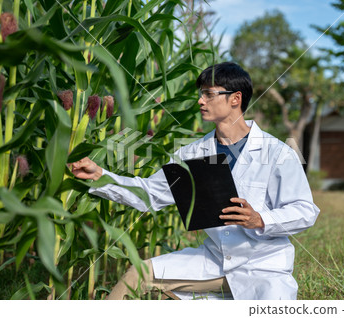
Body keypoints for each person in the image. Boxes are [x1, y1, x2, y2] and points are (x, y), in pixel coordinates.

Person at [71, 62, 320, 300]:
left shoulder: (278, 152)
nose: (201, 101)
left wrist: (260, 219)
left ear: (235, 99)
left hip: (264, 267)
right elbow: (150, 194)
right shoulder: (190, 154)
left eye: (209, 94)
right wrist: (100, 177)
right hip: (212, 261)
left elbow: (305, 210)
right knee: (138, 273)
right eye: (201, 94)